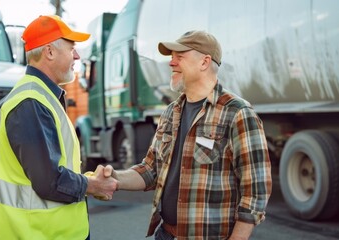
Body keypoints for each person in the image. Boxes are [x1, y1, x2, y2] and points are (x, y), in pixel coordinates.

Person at [105, 30, 272, 239]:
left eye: (179, 56)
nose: (171, 63)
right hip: (166, 234)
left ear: (204, 62)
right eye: (171, 57)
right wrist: (115, 178)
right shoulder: (170, 112)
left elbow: (255, 190)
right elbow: (150, 170)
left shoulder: (237, 113)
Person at [0, 15, 118, 240]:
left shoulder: (39, 96)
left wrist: (87, 180)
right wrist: (92, 185)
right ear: (49, 52)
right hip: (37, 234)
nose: (77, 56)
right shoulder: (31, 102)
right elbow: (48, 181)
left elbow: (51, 169)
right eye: (72, 48)